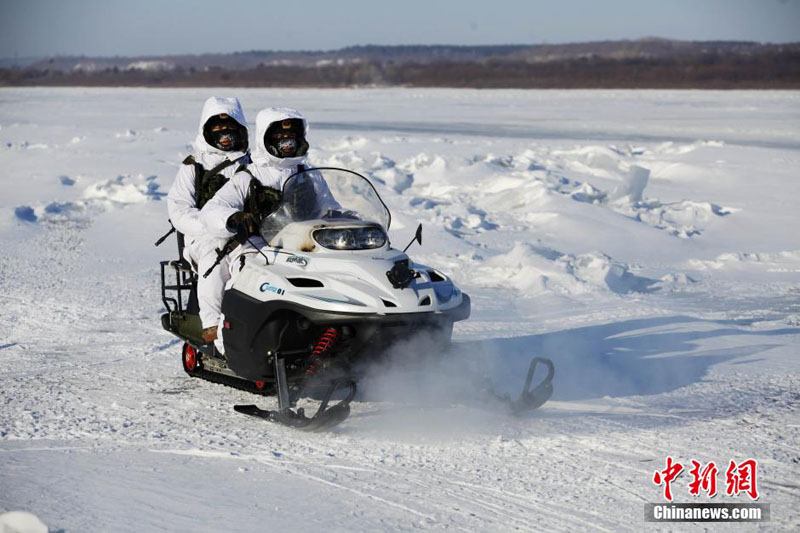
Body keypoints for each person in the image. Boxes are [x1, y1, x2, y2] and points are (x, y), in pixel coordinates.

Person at [200, 107, 323, 354]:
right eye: (278, 137)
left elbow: (329, 207)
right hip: (258, 245)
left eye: (291, 136)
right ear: (265, 139)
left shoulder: (308, 174)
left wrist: (349, 218)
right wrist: (233, 218)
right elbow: (213, 209)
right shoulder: (249, 176)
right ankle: (231, 345)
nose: (286, 143)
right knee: (247, 276)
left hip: (305, 244)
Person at [166, 96, 250, 345]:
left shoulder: (253, 164)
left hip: (246, 235)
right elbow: (179, 209)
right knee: (215, 261)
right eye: (217, 128)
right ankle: (212, 325)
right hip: (203, 237)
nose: (224, 134)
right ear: (206, 130)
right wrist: (211, 223)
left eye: (230, 127)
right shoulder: (194, 167)